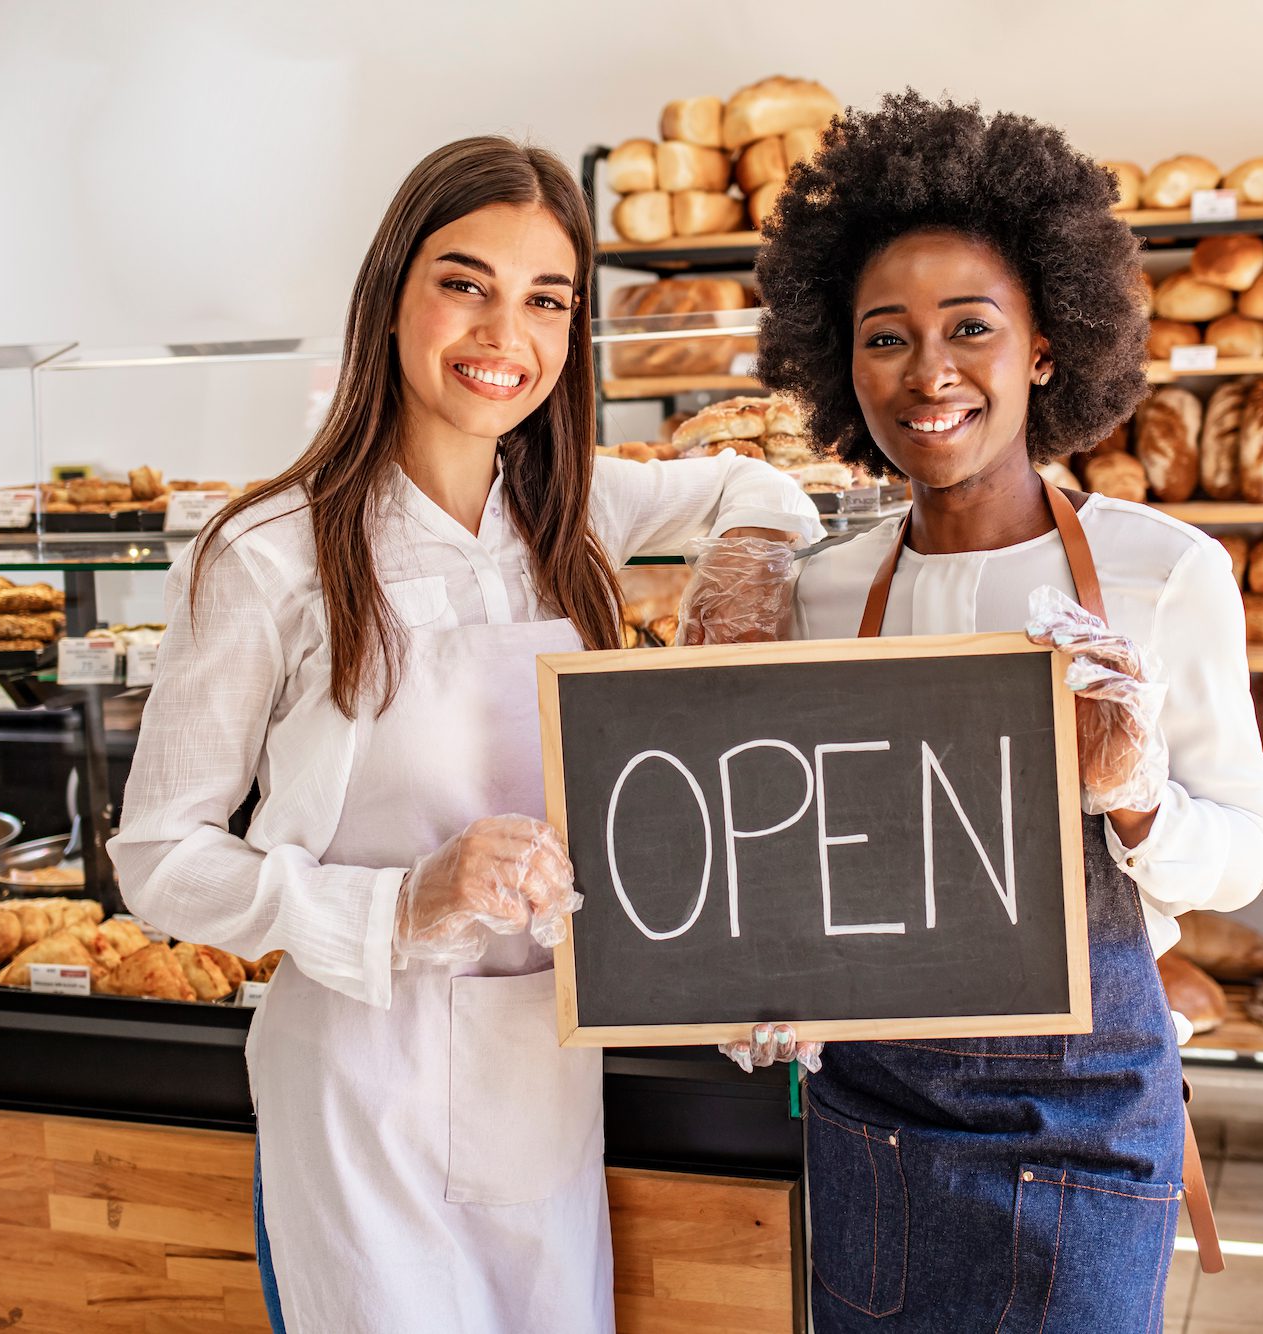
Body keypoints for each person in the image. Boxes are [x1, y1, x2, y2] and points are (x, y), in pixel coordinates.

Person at [109, 137, 823, 1333]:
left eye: (545, 299)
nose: (506, 333)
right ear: (390, 295)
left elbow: (763, 486)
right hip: (360, 1089)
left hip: (542, 1065)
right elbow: (159, 856)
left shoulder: (578, 509)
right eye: (464, 283)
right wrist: (399, 904)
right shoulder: (269, 549)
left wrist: (744, 569)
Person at [682, 93, 1263, 1330]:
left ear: (1047, 345)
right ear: (840, 363)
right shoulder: (832, 585)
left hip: (1087, 1127)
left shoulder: (1164, 570)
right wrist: (759, 966)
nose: (928, 372)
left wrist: (1134, 796)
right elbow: (797, 868)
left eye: (970, 328)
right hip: (874, 1126)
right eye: (884, 337)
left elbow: (1243, 853)